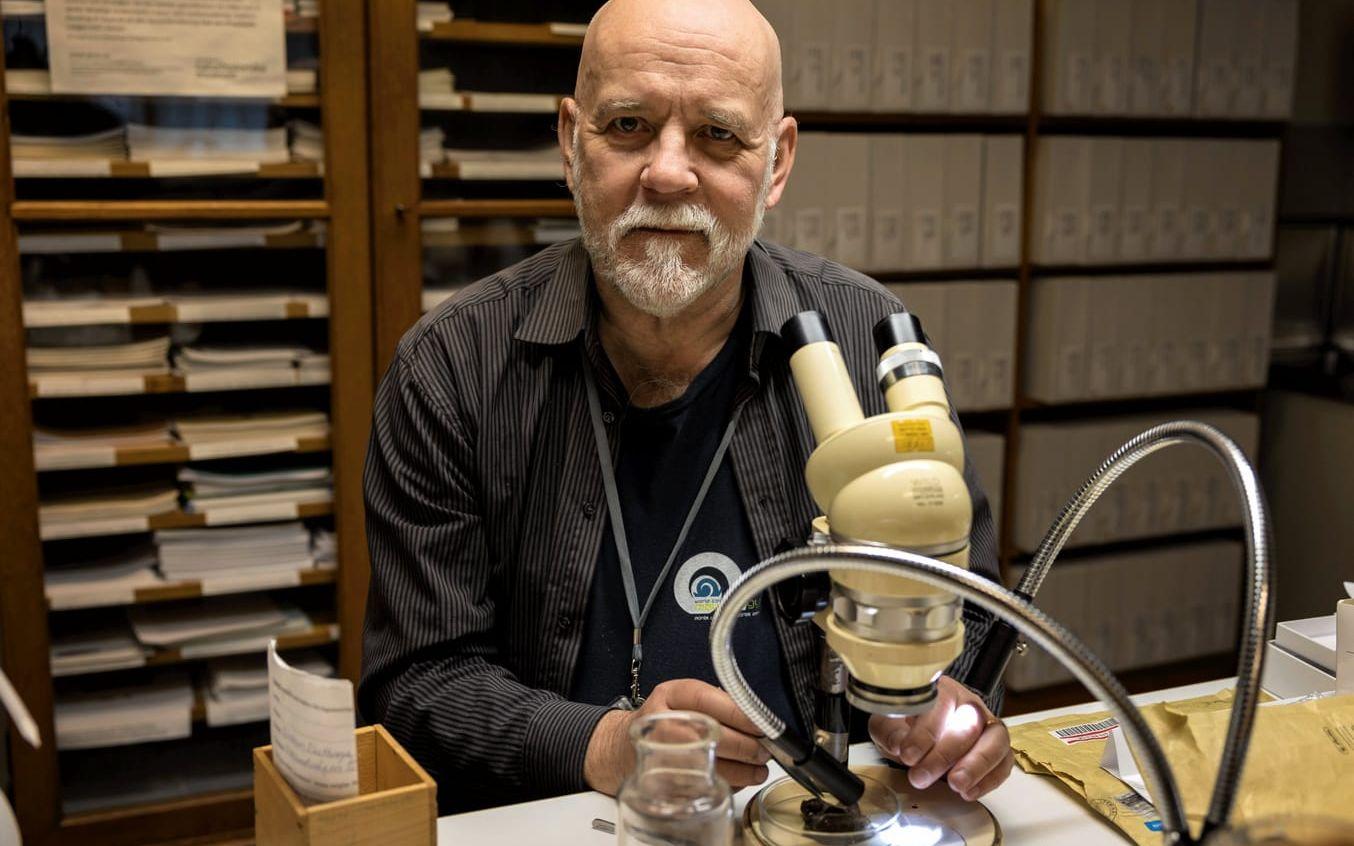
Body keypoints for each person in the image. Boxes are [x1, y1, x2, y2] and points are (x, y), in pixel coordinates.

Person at [360, 0, 1013, 814]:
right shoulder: (451, 369)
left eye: (718, 135)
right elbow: (417, 683)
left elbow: (974, 612)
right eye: (628, 125)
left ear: (776, 163)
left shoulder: (866, 343)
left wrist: (949, 712)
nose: (668, 174)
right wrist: (604, 744)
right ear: (571, 143)